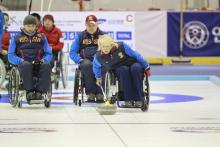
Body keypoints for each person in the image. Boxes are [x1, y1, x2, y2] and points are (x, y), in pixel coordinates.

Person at [93, 34, 151, 106]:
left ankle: (139, 99)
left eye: (108, 46)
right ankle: (128, 99)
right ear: (100, 46)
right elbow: (96, 67)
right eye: (103, 47)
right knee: (123, 71)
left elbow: (136, 55)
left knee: (136, 69)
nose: (105, 49)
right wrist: (98, 77)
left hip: (133, 62)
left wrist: (146, 67)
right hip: (119, 67)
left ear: (111, 45)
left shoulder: (122, 46)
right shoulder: (98, 57)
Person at [8, 15, 52, 101]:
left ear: (36, 26)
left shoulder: (42, 37)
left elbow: (48, 53)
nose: (31, 28)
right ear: (24, 25)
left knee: (47, 65)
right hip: (23, 64)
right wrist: (20, 60)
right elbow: (10, 55)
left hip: (38, 63)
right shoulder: (16, 38)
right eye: (28, 26)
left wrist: (44, 60)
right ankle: (29, 91)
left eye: (33, 26)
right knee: (26, 64)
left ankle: (40, 92)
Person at [69, 15, 105, 102]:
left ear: (97, 25)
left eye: (93, 25)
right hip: (85, 60)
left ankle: (100, 92)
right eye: (89, 25)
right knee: (88, 66)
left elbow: (110, 49)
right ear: (86, 25)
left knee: (101, 66)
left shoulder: (103, 35)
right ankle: (90, 93)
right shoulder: (80, 36)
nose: (91, 27)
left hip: (100, 59)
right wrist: (79, 60)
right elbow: (73, 52)